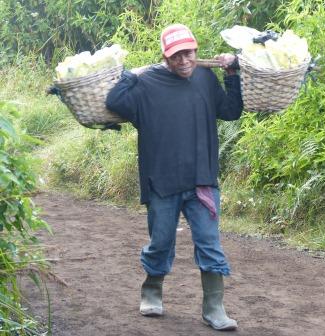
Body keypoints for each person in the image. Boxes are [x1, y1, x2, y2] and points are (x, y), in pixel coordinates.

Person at [106, 23, 243, 331]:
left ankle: (214, 307)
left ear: (196, 51)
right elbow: (114, 101)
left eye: (188, 53)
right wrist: (133, 73)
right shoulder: (147, 85)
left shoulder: (206, 79)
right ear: (165, 57)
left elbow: (232, 111)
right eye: (176, 56)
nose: (183, 61)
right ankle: (152, 290)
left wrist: (232, 74)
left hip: (201, 179)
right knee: (161, 241)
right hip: (162, 181)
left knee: (209, 243)